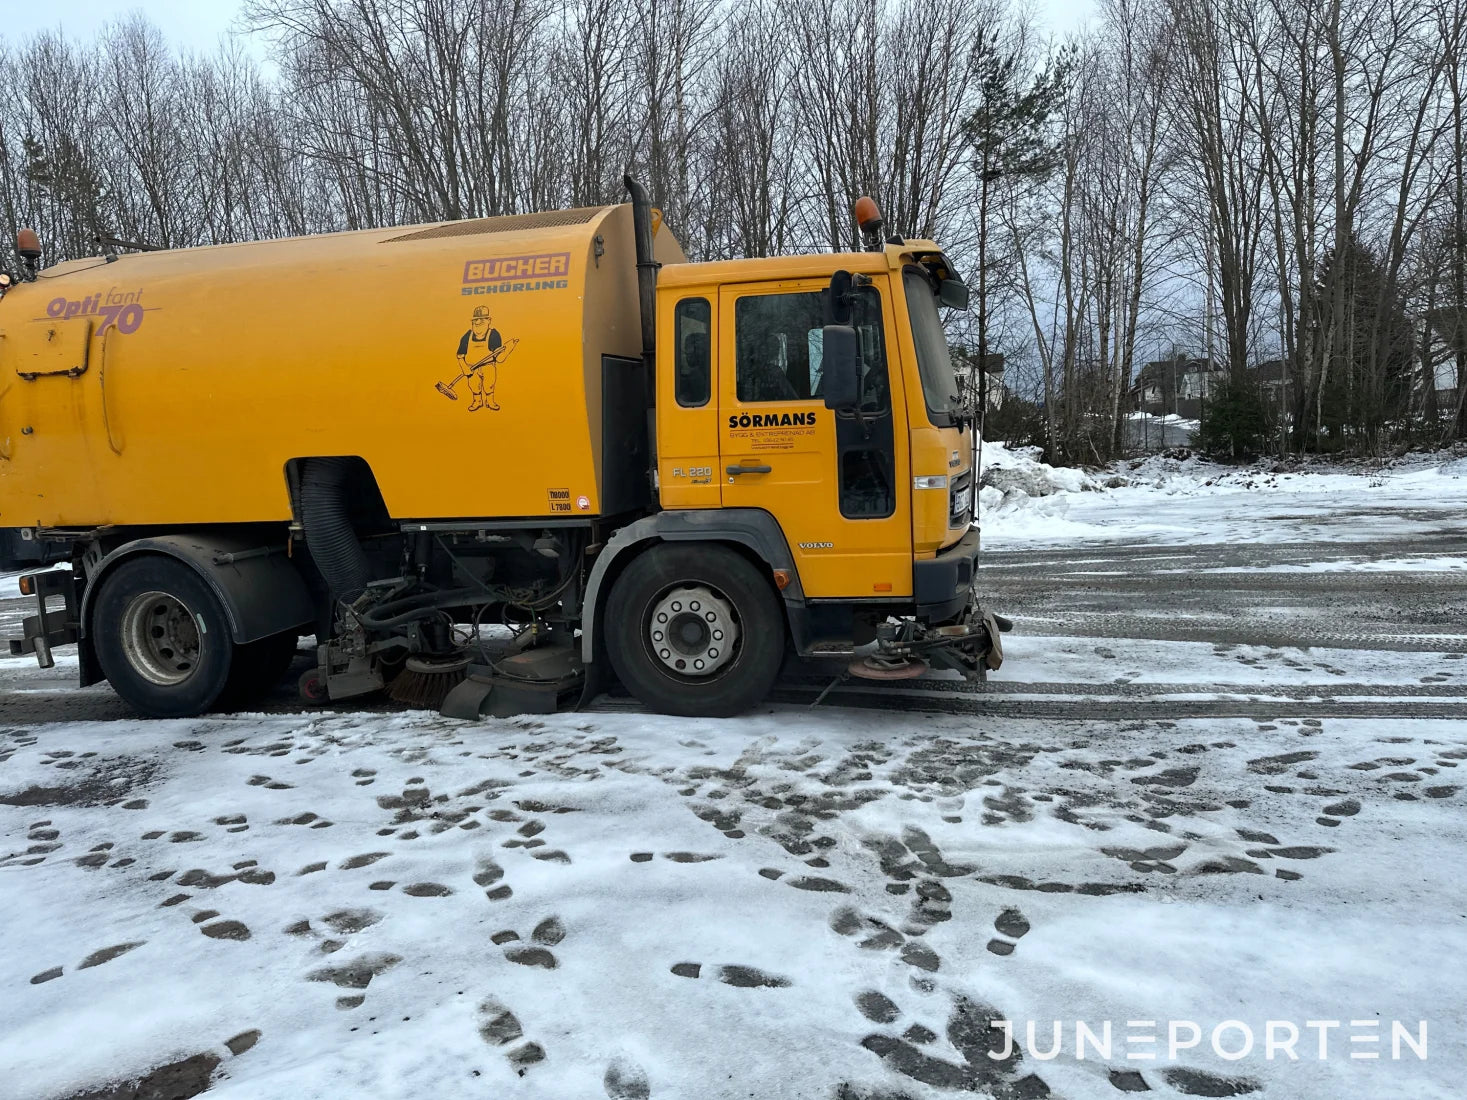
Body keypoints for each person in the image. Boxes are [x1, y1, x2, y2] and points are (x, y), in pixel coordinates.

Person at [456, 305, 504, 411]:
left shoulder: (494, 335)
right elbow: (460, 355)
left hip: (488, 366)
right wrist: (464, 367)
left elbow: (498, 355)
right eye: (475, 321)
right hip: (471, 368)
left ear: (488, 321)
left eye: (481, 320)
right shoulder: (467, 336)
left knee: (489, 385)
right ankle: (477, 401)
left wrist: (500, 353)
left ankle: (490, 401)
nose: (477, 323)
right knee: (474, 386)